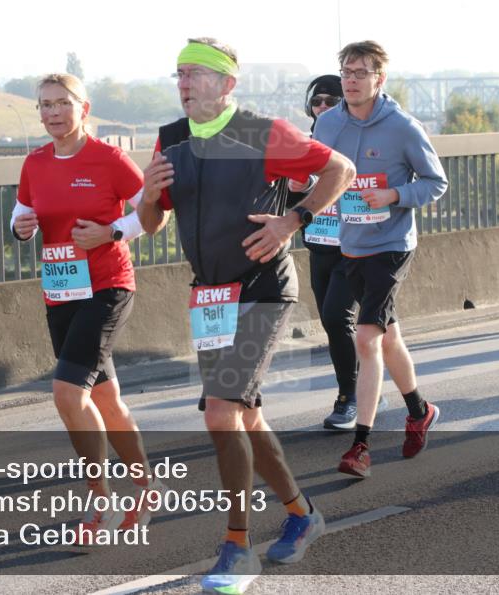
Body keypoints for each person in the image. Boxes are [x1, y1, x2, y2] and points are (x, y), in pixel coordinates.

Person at [138, 38, 355, 594]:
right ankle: (302, 514)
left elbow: (341, 169)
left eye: (195, 74)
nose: (184, 83)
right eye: (179, 74)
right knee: (245, 418)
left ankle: (237, 548)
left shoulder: (263, 133)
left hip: (263, 288)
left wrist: (293, 220)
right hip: (211, 298)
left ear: (227, 84)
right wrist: (148, 194)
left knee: (220, 414)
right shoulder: (171, 139)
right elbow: (153, 221)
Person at [10, 73, 162, 541]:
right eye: (45, 105)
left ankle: (102, 504)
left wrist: (112, 231)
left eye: (62, 103)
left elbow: (153, 213)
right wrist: (21, 228)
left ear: (84, 108)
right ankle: (147, 487)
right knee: (104, 398)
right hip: (61, 292)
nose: (53, 112)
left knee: (67, 393)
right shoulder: (35, 162)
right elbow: (21, 212)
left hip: (107, 286)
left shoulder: (108, 159)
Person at [313, 40, 448, 479]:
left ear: (379, 79)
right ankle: (420, 411)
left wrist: (393, 194)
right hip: (350, 244)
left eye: (360, 73)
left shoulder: (403, 127)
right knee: (388, 338)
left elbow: (435, 182)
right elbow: (317, 175)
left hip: (391, 246)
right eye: (346, 72)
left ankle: (361, 446)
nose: (351, 81)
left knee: (367, 339)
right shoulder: (327, 124)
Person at [289, 75, 364, 430]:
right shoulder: (303, 145)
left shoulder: (355, 140)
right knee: (335, 323)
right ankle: (365, 386)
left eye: (330, 101)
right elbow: (290, 199)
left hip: (355, 247)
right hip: (319, 245)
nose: (322, 107)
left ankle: (349, 398)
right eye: (316, 101)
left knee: (338, 318)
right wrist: (298, 187)